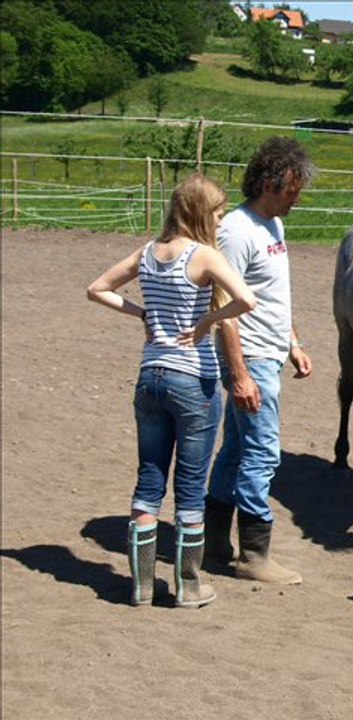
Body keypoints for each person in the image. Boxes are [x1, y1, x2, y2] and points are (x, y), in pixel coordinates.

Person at [86, 174, 257, 608]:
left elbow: (97, 289)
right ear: (201, 211)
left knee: (149, 480)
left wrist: (142, 313)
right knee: (191, 485)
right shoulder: (205, 257)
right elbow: (247, 300)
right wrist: (205, 323)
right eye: (218, 212)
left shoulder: (147, 253)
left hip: (150, 377)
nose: (220, 220)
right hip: (192, 380)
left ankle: (141, 585)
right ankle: (189, 585)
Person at [205, 137, 314, 586]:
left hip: (269, 352)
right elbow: (223, 305)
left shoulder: (273, 227)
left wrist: (292, 342)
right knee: (262, 452)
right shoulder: (236, 230)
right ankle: (254, 553)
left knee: (234, 449)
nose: (298, 196)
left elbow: (270, 295)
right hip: (249, 358)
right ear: (271, 182)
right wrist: (241, 374)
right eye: (293, 187)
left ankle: (214, 545)